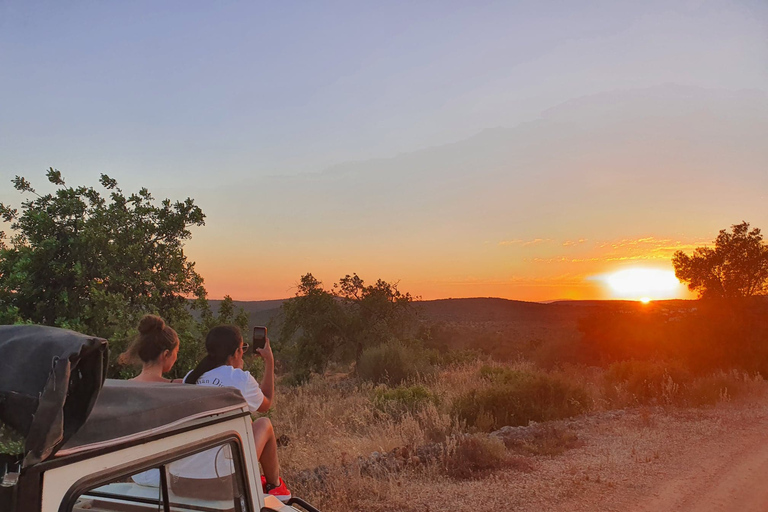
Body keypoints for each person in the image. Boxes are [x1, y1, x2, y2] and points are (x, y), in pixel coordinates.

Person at [183, 325, 291, 503]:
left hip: (183, 480)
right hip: (222, 481)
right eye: (243, 349)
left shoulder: (190, 378)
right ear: (236, 352)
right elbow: (267, 402)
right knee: (263, 423)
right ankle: (275, 486)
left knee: (245, 421)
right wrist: (269, 362)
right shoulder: (239, 379)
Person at [119, 314, 180, 383]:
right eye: (176, 351)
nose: (176, 358)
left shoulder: (126, 385)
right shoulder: (179, 387)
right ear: (166, 354)